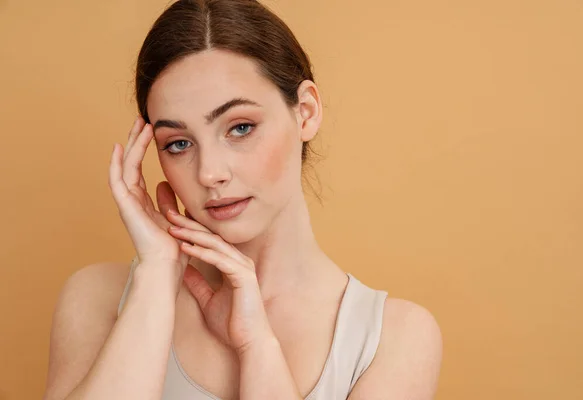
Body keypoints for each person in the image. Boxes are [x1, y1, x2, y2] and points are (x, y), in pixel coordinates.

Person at [42, 0, 442, 399]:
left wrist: (257, 348)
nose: (209, 173)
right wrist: (158, 275)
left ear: (305, 112)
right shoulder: (98, 299)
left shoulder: (394, 338)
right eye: (178, 143)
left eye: (240, 127)